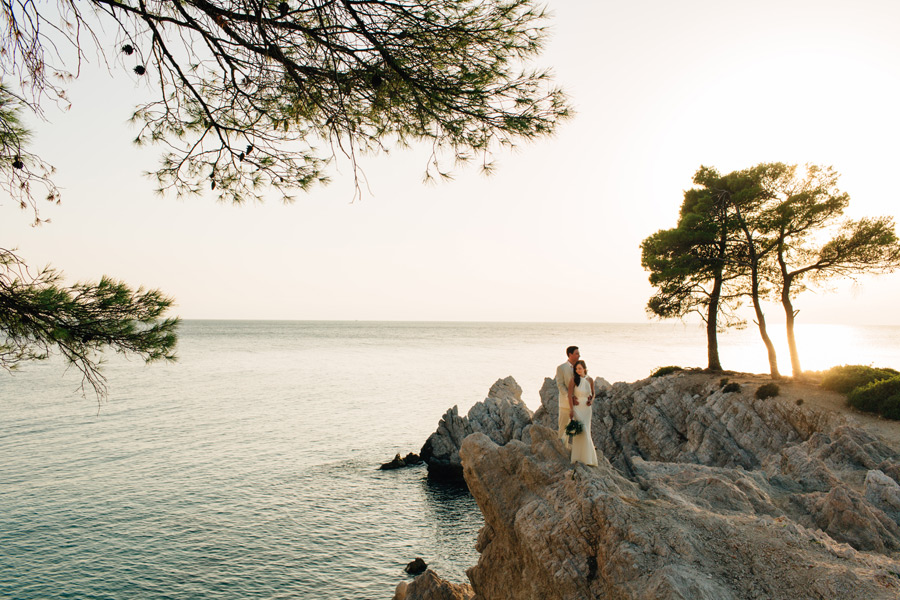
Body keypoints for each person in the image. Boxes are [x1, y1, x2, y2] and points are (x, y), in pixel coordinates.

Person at [568, 360, 598, 466]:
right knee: (583, 431)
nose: (578, 370)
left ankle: (586, 458)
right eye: (576, 369)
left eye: (580, 368)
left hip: (587, 408)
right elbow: (569, 395)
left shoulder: (590, 380)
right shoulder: (573, 380)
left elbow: (593, 393)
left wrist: (591, 400)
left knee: (586, 431)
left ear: (584, 368)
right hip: (577, 408)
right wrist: (571, 410)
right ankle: (586, 458)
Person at [555, 346, 580, 440]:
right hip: (565, 405)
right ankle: (561, 450)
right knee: (563, 428)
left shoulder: (580, 367)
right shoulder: (561, 368)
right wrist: (570, 397)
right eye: (576, 353)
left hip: (579, 404)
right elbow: (560, 385)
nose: (579, 355)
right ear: (570, 354)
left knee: (578, 430)